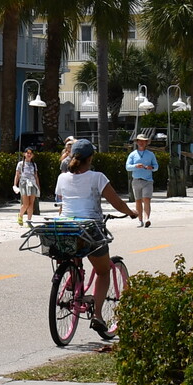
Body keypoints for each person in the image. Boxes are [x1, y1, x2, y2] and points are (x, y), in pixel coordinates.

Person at [54, 138, 136, 330]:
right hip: (90, 229)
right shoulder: (97, 177)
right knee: (103, 271)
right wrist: (131, 212)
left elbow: (62, 205)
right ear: (90, 158)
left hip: (66, 228)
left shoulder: (62, 177)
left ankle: (73, 283)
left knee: (72, 256)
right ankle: (98, 316)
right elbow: (117, 202)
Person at [125, 131, 159, 228]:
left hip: (148, 180)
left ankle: (147, 218)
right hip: (136, 180)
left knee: (146, 199)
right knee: (138, 201)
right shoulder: (132, 154)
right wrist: (136, 166)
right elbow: (127, 167)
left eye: (143, 141)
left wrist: (151, 168)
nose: (141, 143)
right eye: (139, 141)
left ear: (146, 142)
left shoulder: (151, 154)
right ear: (136, 142)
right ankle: (140, 220)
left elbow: (156, 167)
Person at [15, 143, 41, 225]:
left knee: (31, 203)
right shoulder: (20, 164)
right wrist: (15, 185)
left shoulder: (34, 165)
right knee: (25, 203)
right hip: (23, 184)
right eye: (27, 153)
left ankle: (29, 220)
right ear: (24, 154)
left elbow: (36, 176)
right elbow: (17, 175)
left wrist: (38, 186)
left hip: (32, 184)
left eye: (31, 153)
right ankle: (21, 215)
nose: (29, 154)